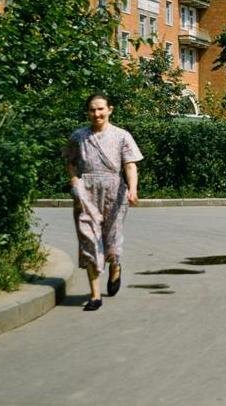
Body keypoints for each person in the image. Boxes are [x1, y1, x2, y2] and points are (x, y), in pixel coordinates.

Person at [63, 94, 143, 311]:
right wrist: (75, 182)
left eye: (100, 109)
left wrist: (132, 189)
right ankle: (95, 295)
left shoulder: (122, 136)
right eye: (92, 110)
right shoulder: (78, 136)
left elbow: (130, 165)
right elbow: (70, 162)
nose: (96, 114)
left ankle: (115, 266)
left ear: (110, 110)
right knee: (89, 240)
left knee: (112, 241)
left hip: (114, 190)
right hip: (85, 191)